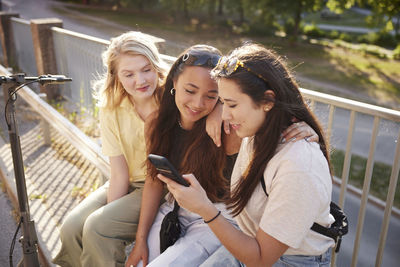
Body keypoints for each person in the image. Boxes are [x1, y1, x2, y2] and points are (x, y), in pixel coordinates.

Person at [126, 44, 319, 267]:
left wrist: (306, 128)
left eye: (212, 96)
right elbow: (153, 181)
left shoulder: (229, 126)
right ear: (174, 83)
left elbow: (267, 114)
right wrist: (140, 239)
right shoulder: (157, 123)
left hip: (217, 216)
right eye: (190, 91)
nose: (198, 103)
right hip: (175, 207)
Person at [53, 31, 168, 267]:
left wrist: (105, 219)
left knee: (98, 228)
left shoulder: (171, 101)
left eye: (146, 69)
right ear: (116, 77)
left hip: (162, 186)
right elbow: (119, 173)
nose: (141, 80)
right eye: (129, 74)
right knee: (72, 227)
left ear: (156, 66)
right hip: (128, 183)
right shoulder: (111, 108)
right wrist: (111, 210)